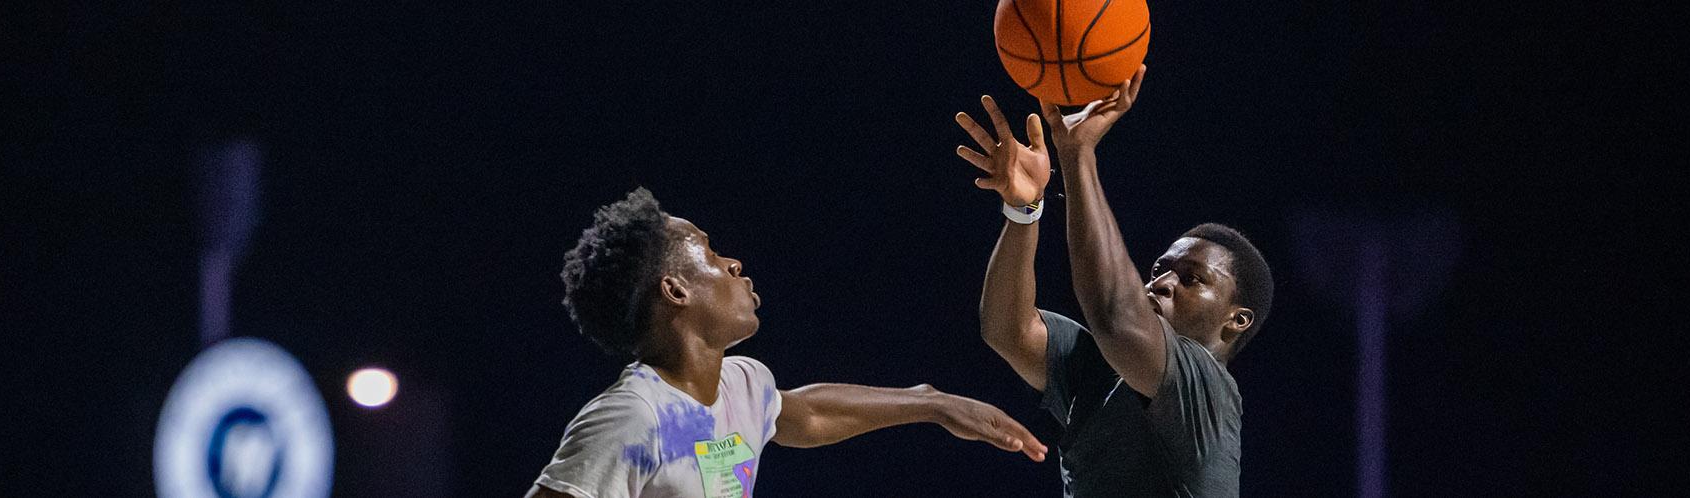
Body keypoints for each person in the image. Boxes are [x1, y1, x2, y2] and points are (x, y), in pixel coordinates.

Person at [527, 187, 1049, 498]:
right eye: (709, 254)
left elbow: (806, 415)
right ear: (675, 289)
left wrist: (932, 404)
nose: (733, 264)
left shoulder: (740, 385)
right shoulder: (635, 416)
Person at [953, 65, 1276, 496]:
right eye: (1160, 269)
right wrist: (1023, 211)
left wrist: (1077, 153)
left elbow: (1115, 316)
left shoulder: (1206, 386)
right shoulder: (1098, 367)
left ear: (1237, 319)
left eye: (1193, 279)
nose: (1162, 283)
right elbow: (1006, 330)